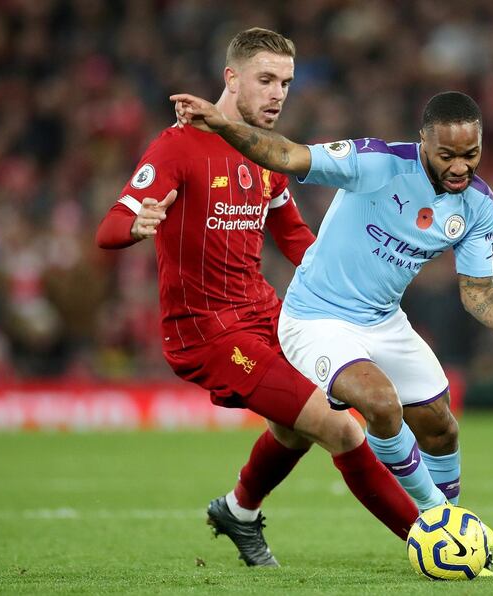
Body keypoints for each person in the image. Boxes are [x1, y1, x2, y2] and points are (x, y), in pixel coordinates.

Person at [171, 90, 493, 520]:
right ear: (423, 141)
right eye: (447, 155)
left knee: (441, 428)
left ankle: (454, 524)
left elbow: (478, 292)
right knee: (381, 404)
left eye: (471, 154)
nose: (460, 166)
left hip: (384, 321)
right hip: (316, 318)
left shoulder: (478, 205)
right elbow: (289, 155)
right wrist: (224, 124)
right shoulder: (376, 163)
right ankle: (438, 520)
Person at [96, 27, 418, 568]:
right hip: (208, 329)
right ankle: (429, 537)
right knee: (339, 427)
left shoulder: (264, 156)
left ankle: (238, 511)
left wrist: (348, 287)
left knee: (295, 426)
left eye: (286, 83)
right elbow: (109, 226)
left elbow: (293, 236)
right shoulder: (178, 146)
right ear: (231, 78)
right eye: (265, 80)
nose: (277, 94)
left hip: (267, 314)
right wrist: (137, 224)